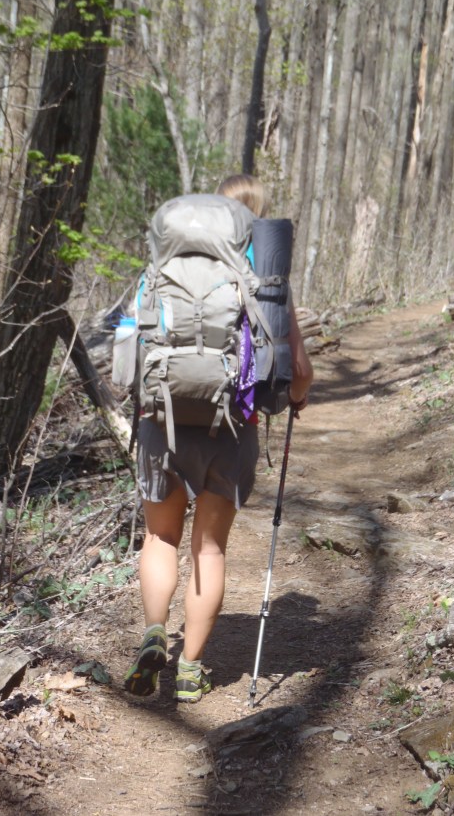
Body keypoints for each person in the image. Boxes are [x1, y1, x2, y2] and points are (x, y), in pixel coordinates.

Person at [124, 175, 313, 703]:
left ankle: (155, 632)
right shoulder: (265, 275)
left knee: (160, 538)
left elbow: (129, 344)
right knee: (209, 546)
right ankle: (189, 670)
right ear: (254, 220)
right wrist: (296, 398)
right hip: (230, 427)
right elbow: (297, 370)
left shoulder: (163, 267)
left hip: (159, 421)